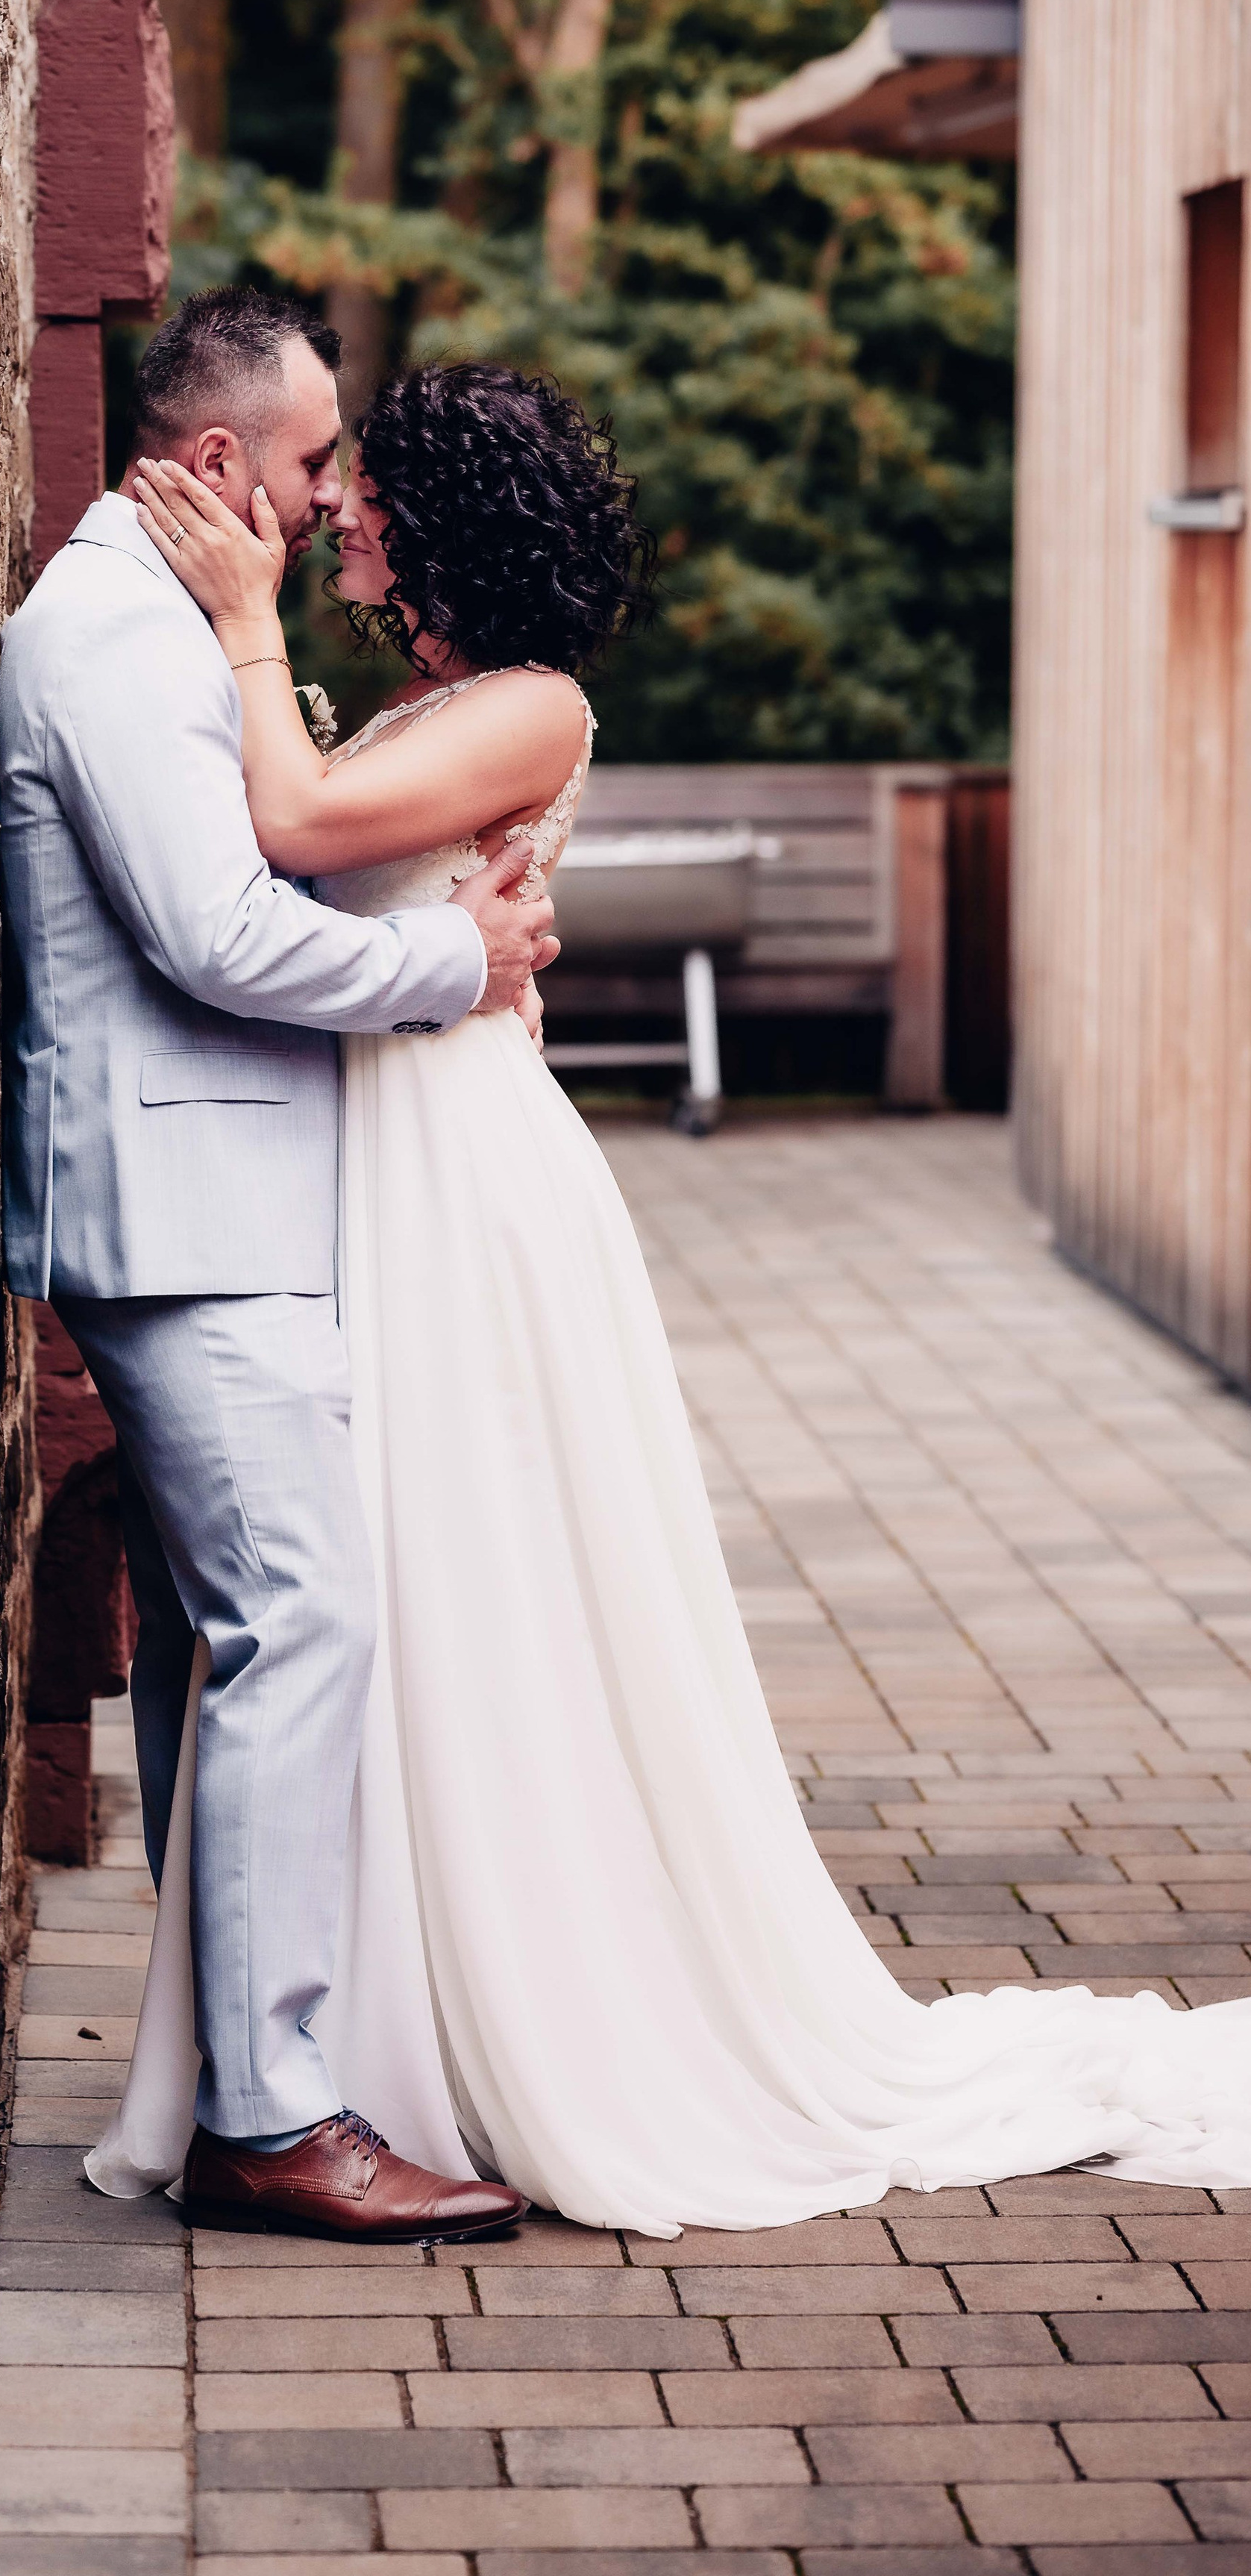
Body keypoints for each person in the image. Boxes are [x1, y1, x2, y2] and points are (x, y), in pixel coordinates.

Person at [88, 354, 1251, 2230]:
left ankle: (462, 2030)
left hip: (462, 1188)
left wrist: (230, 621)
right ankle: (358, 2033)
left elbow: (293, 833)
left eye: (373, 491)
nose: (345, 516)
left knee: (461, 1580)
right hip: (381, 1159)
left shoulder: (528, 706)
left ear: (447, 522)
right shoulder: (431, 697)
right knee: (376, 1585)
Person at [0, 290, 548, 2242]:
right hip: (188, 1223)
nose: (327, 504)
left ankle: (230, 2067)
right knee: (301, 1625)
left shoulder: (162, 627)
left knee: (231, 1647)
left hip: (219, 1209)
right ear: (220, 460)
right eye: (313, 464)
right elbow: (219, 940)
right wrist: (447, 968)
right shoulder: (113, 636)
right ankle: (275, 2114)